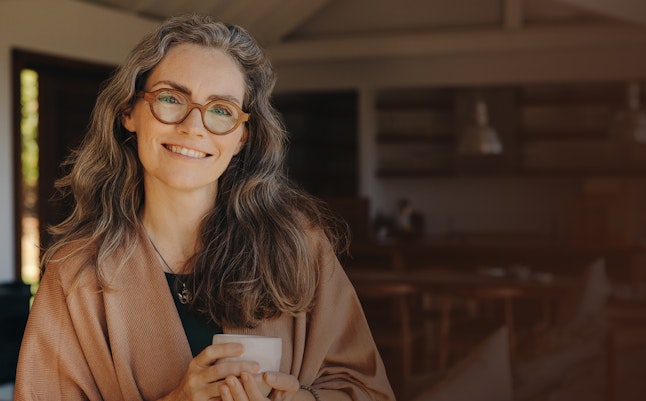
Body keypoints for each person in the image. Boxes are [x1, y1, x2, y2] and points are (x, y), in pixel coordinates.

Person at [15, 14, 395, 401]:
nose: (194, 126)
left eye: (221, 110)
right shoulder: (76, 272)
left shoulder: (301, 248)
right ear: (129, 112)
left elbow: (368, 391)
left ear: (243, 136)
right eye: (170, 99)